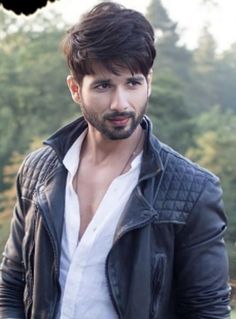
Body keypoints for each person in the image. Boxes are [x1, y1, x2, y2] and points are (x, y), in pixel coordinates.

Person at [0, 2, 231, 318]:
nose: (120, 103)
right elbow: (11, 285)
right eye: (104, 85)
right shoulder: (38, 171)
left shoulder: (193, 189)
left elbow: (207, 311)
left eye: (133, 83)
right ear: (75, 89)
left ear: (149, 80)